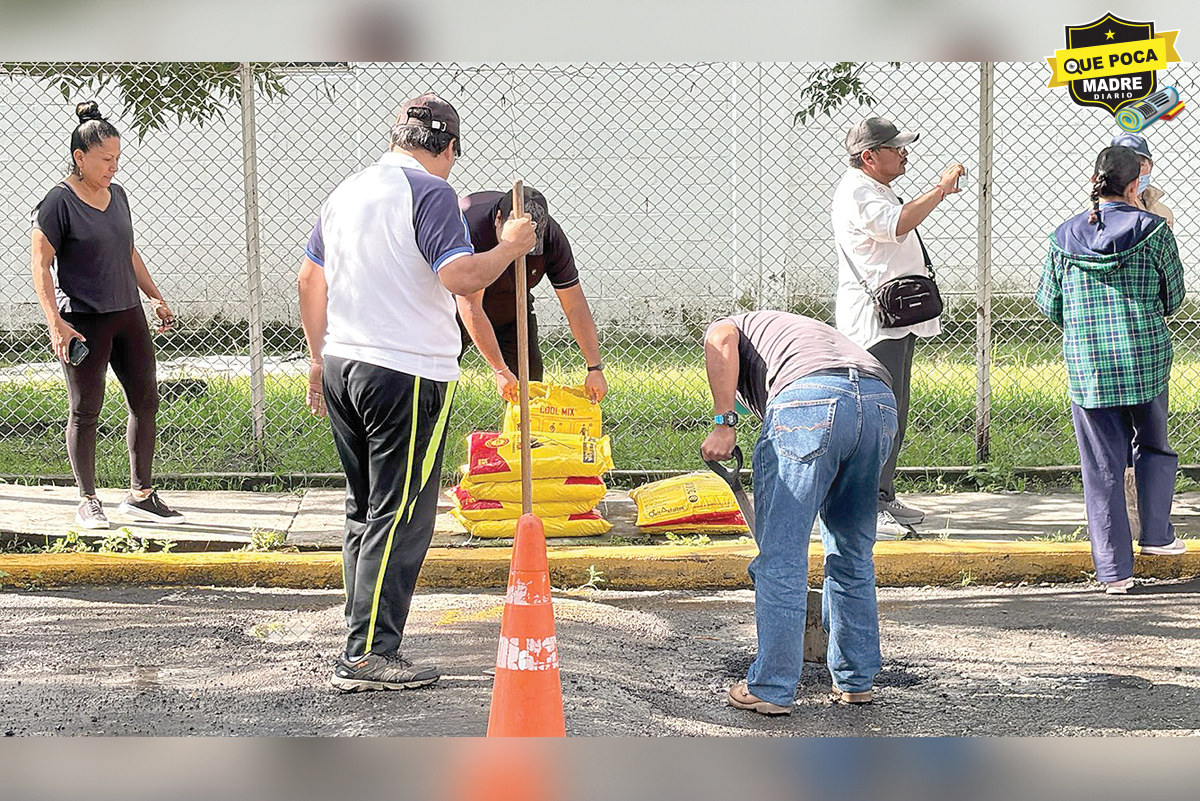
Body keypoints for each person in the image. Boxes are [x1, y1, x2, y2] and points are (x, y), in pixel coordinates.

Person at [298, 93, 536, 691]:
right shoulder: (431, 193)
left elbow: (309, 277)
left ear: (396, 135)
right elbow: (458, 276)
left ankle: (360, 636)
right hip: (404, 372)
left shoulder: (346, 191)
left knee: (364, 510)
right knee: (401, 515)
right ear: (449, 148)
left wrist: (315, 358)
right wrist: (509, 246)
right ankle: (367, 654)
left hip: (343, 363)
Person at [700, 310, 897, 716]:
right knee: (852, 554)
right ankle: (855, 681)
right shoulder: (795, 334)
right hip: (879, 403)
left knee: (781, 559)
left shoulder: (731, 324)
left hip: (808, 404)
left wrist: (723, 423)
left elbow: (720, 338)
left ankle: (771, 687)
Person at [1036, 145, 1187, 596]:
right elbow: (1174, 295)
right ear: (1135, 184)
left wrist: (1085, 327)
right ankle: (1157, 535)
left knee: (1101, 465)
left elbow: (1050, 303)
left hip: (1089, 365)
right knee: (1154, 445)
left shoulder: (1062, 236)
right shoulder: (1155, 230)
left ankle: (1114, 572)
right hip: (1145, 360)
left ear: (1094, 182)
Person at [29, 101, 183, 531]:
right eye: (106, 159)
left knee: (146, 401)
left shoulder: (118, 196)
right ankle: (88, 500)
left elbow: (127, 251)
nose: (114, 167)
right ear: (80, 157)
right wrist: (55, 324)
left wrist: (154, 296)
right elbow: (40, 264)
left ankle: (140, 495)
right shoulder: (57, 202)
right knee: (85, 410)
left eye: (117, 159)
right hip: (84, 320)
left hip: (127, 315)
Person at [832, 116, 964, 539]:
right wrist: (941, 190)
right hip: (873, 325)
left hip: (895, 318)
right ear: (869, 156)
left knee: (894, 410)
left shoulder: (876, 188)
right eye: (896, 147)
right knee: (876, 415)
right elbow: (897, 224)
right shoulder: (857, 191)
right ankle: (863, 506)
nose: (905, 153)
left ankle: (882, 494)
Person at [457, 187, 607, 403]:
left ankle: (520, 436)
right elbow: (469, 305)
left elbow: (574, 304)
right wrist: (500, 369)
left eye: (528, 247)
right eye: (515, 244)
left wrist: (595, 368)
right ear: (498, 219)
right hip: (453, 313)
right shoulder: (470, 228)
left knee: (529, 389)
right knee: (438, 385)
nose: (520, 254)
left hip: (512, 309)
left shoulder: (552, 238)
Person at [1110, 133, 1174, 228]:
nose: (1134, 171)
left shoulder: (1163, 213)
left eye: (1140, 164)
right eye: (1125, 165)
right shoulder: (1096, 213)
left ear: (1150, 166)